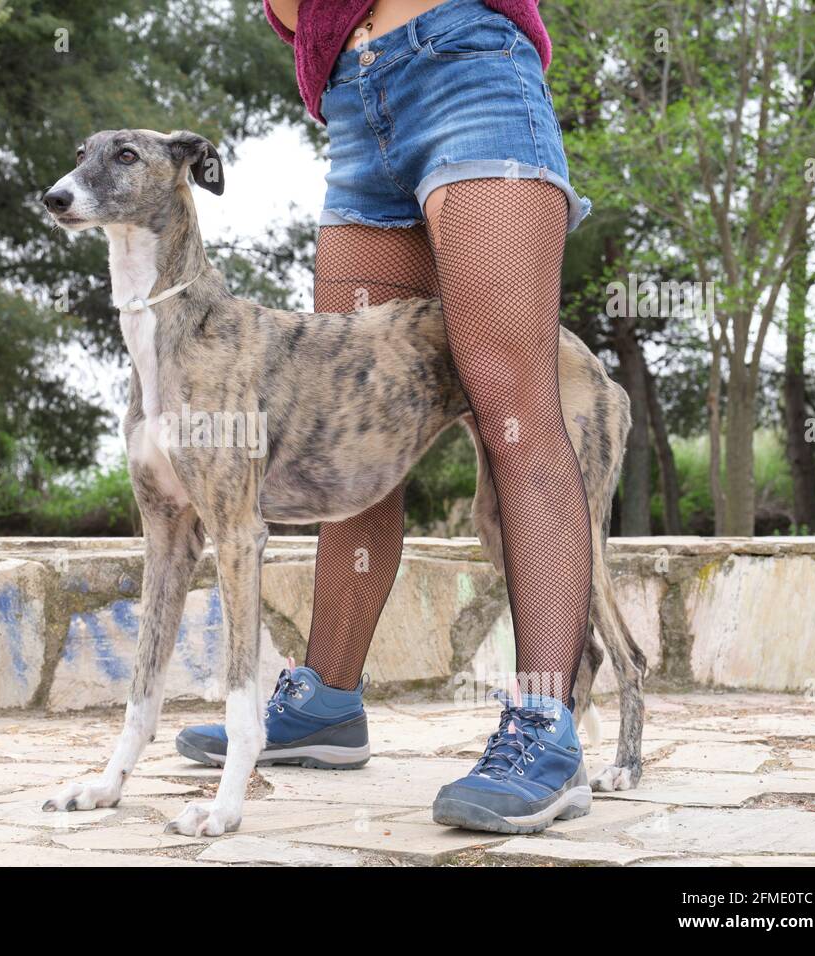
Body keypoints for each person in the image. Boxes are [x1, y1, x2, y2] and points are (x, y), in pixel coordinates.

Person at [175, 0, 596, 833]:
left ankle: (546, 727)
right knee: (353, 418)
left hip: (468, 71)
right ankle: (328, 701)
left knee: (517, 411)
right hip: (354, 110)